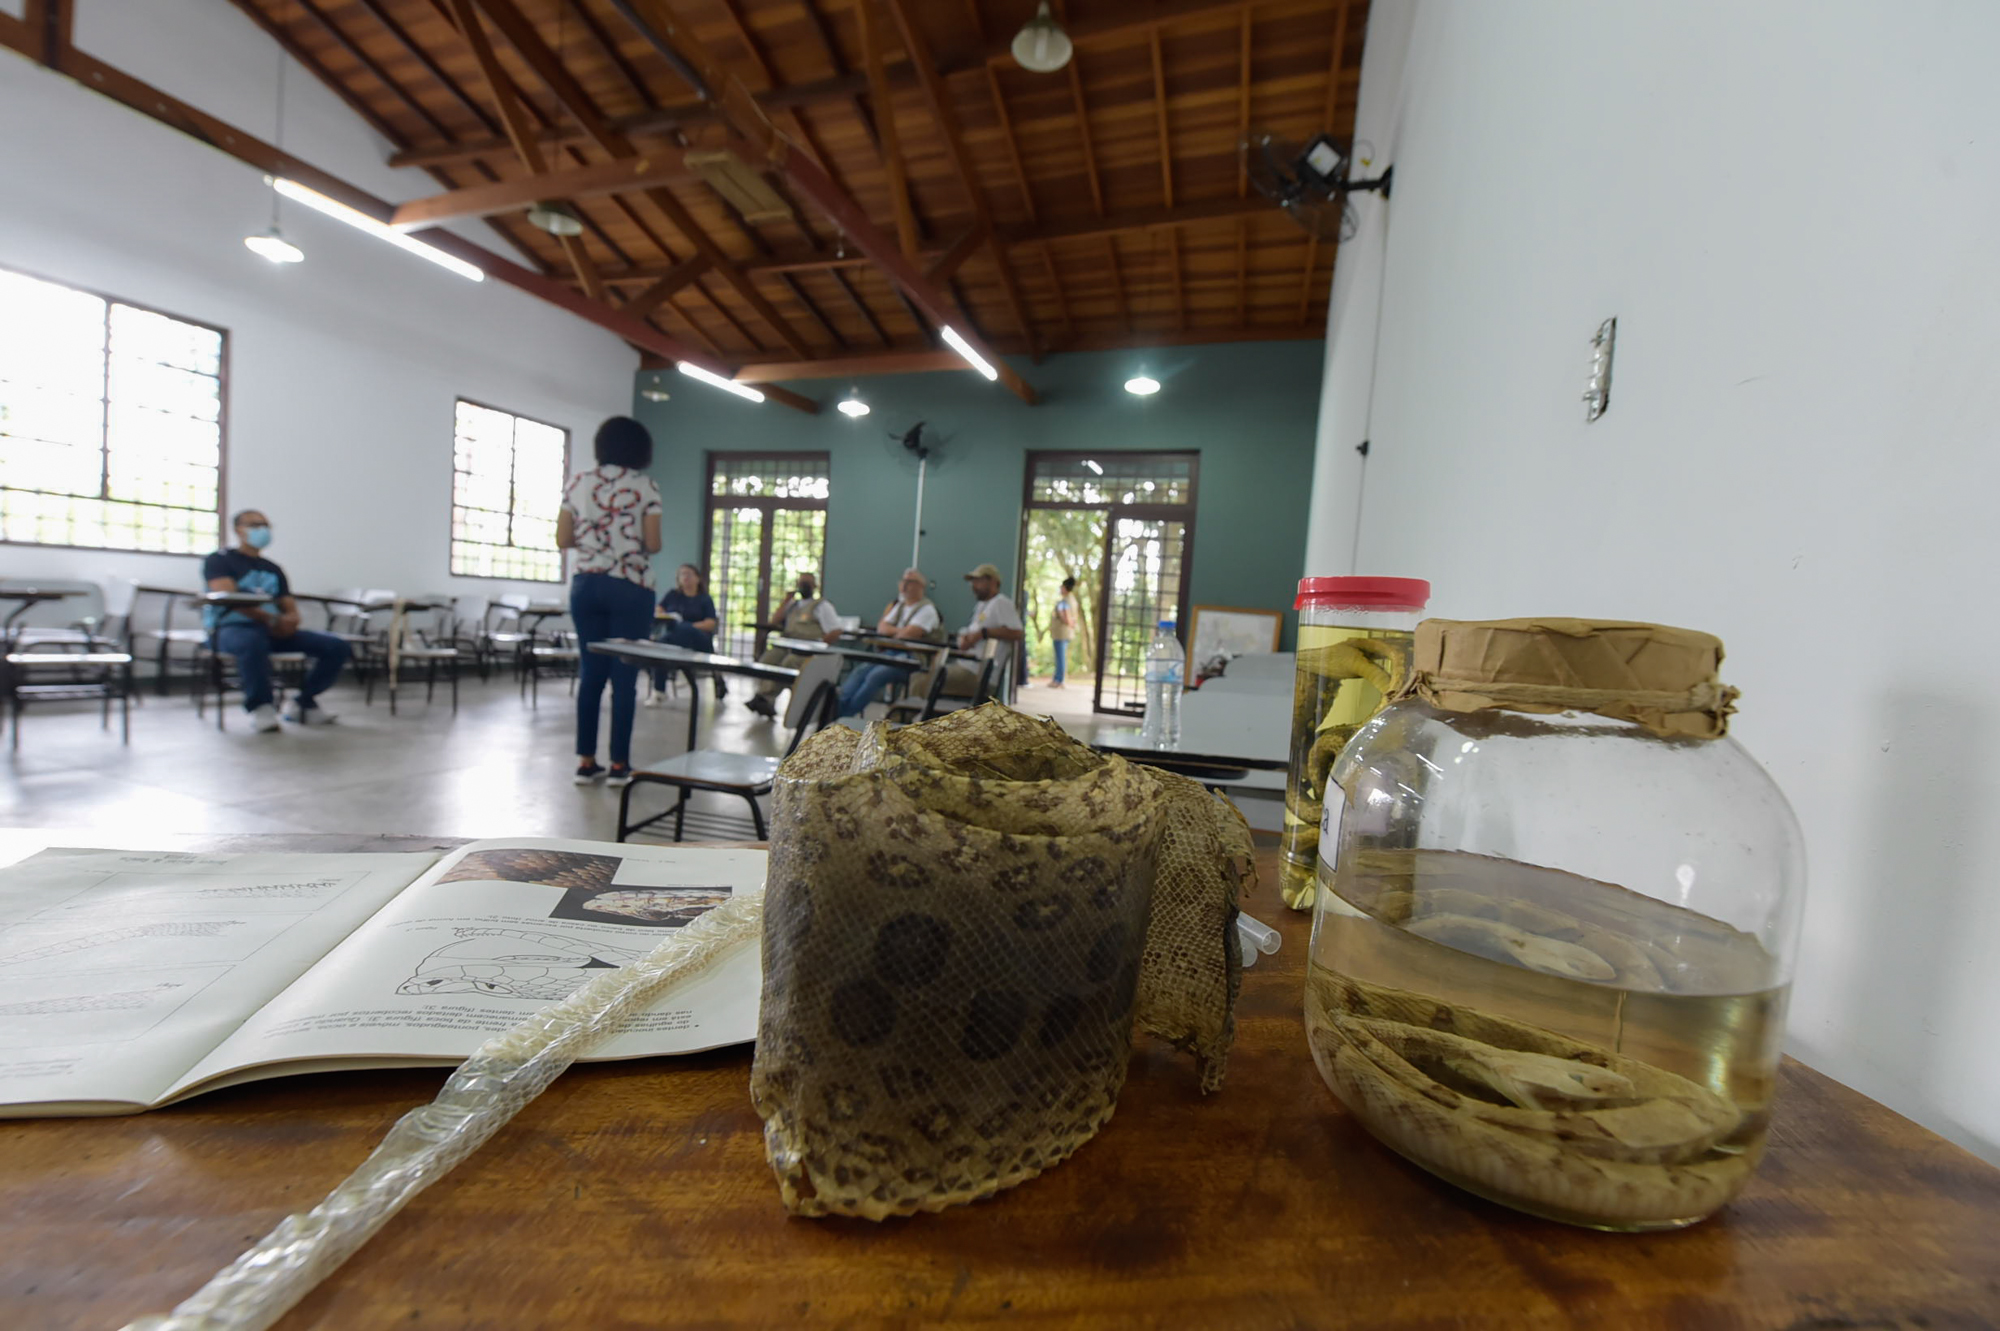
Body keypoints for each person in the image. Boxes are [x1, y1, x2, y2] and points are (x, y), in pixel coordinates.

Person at [557, 416, 662, 787]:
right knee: (624, 678)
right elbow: (653, 544)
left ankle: (586, 762)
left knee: (591, 675)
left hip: (586, 584)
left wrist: (595, 541)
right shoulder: (645, 486)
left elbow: (563, 539)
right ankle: (619, 765)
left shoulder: (578, 483)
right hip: (631, 586)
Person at [202, 509, 352, 733]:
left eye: (266, 525)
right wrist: (271, 619)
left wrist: (290, 620)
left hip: (271, 630)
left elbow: (288, 604)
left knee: (336, 646)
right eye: (254, 525)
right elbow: (230, 598)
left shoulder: (272, 569)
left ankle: (303, 703)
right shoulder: (220, 560)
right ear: (238, 530)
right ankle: (261, 707)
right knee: (252, 642)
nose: (262, 530)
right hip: (230, 629)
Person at [907, 562, 1025, 706]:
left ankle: (911, 717)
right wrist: (965, 638)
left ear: (993, 582)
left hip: (977, 675)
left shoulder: (1001, 603)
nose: (974, 585)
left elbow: (1017, 633)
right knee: (918, 676)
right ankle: (911, 715)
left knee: (923, 681)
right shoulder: (981, 606)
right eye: (973, 581)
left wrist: (983, 633)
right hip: (966, 665)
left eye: (978, 581)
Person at [836, 568, 943, 719]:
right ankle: (836, 708)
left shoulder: (927, 610)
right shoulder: (900, 606)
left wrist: (894, 631)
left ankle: (844, 715)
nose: (904, 585)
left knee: (876, 676)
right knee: (861, 671)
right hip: (891, 654)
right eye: (903, 581)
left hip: (914, 660)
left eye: (909, 582)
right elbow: (882, 628)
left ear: (920, 586)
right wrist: (898, 631)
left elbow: (908, 634)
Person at [744, 570, 841, 719]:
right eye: (801, 583)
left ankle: (764, 698)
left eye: (807, 584)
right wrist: (786, 600)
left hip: (807, 651)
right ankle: (764, 699)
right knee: (768, 659)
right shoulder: (792, 605)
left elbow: (835, 631)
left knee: (789, 663)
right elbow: (774, 621)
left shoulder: (822, 606)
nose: (803, 586)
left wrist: (820, 645)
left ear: (814, 586)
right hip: (786, 646)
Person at [647, 562, 724, 704]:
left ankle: (680, 669)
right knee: (661, 646)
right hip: (674, 641)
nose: (685, 577)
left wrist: (688, 626)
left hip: (699, 641)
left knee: (683, 629)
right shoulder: (673, 595)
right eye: (682, 574)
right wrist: (667, 615)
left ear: (697, 578)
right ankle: (659, 691)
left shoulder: (705, 599)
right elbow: (659, 610)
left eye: (688, 574)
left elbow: (710, 624)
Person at [1047, 575, 1078, 688]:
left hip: (1061, 633)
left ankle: (1059, 680)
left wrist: (1067, 621)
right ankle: (1058, 678)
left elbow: (1066, 617)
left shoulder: (1065, 601)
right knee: (1061, 657)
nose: (1060, 589)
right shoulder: (1073, 600)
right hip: (1067, 633)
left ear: (1065, 588)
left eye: (1061, 587)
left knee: (1060, 658)